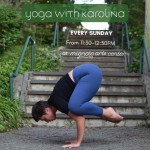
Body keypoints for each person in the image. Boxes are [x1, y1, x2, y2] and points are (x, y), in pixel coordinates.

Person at [32, 63, 123, 148]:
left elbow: (80, 119)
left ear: (47, 110)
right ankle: (107, 112)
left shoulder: (57, 102)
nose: (46, 121)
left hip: (89, 73)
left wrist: (77, 142)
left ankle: (108, 111)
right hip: (90, 72)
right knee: (77, 106)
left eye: (44, 118)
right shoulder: (56, 100)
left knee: (75, 107)